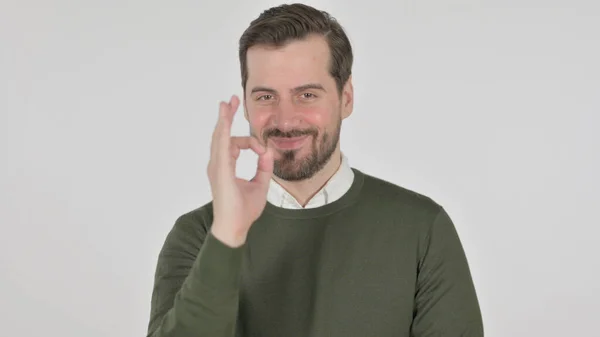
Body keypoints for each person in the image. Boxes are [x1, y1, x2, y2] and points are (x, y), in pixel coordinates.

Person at [146, 3, 483, 337]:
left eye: (306, 94)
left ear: (346, 98)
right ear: (246, 104)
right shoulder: (200, 234)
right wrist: (228, 235)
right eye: (265, 97)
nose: (285, 120)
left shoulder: (422, 228)